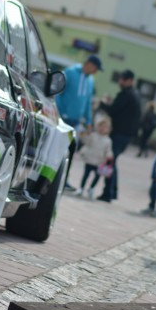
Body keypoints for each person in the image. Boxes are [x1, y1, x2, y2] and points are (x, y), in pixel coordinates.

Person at [55, 54, 102, 190]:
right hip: (63, 118)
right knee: (57, 148)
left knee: (70, 150)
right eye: (96, 68)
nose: (96, 72)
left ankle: (64, 179)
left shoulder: (90, 80)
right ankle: (52, 177)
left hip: (76, 122)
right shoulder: (70, 72)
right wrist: (60, 111)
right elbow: (58, 92)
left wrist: (89, 121)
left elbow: (87, 102)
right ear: (89, 64)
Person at [96, 69, 142, 202]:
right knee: (112, 161)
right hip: (125, 135)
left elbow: (113, 110)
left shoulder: (127, 94)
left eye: (123, 79)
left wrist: (101, 103)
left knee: (110, 160)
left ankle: (108, 193)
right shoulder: (134, 94)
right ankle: (112, 191)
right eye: (120, 78)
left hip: (120, 134)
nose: (120, 81)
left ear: (130, 81)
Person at [76, 115, 113, 200]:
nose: (102, 129)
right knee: (85, 175)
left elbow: (108, 151)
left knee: (97, 177)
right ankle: (81, 188)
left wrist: (109, 156)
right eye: (101, 126)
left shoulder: (108, 141)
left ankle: (91, 188)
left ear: (108, 130)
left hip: (99, 162)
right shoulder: (93, 135)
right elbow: (86, 141)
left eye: (105, 127)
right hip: (89, 159)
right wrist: (84, 134)